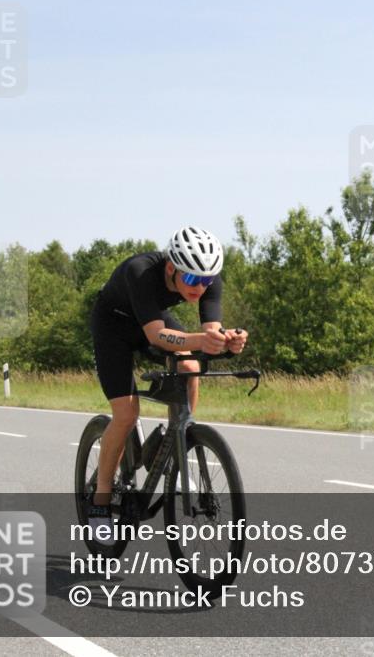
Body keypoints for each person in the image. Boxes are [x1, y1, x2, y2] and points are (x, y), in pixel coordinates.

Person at [87, 227, 247, 538]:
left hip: (152, 318)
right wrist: (202, 340)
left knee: (189, 365)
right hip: (114, 325)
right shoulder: (141, 271)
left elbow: (210, 331)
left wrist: (227, 341)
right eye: (191, 279)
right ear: (172, 267)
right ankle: (100, 499)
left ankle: (178, 440)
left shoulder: (208, 280)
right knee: (126, 414)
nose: (199, 287)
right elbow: (156, 335)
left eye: (206, 281)